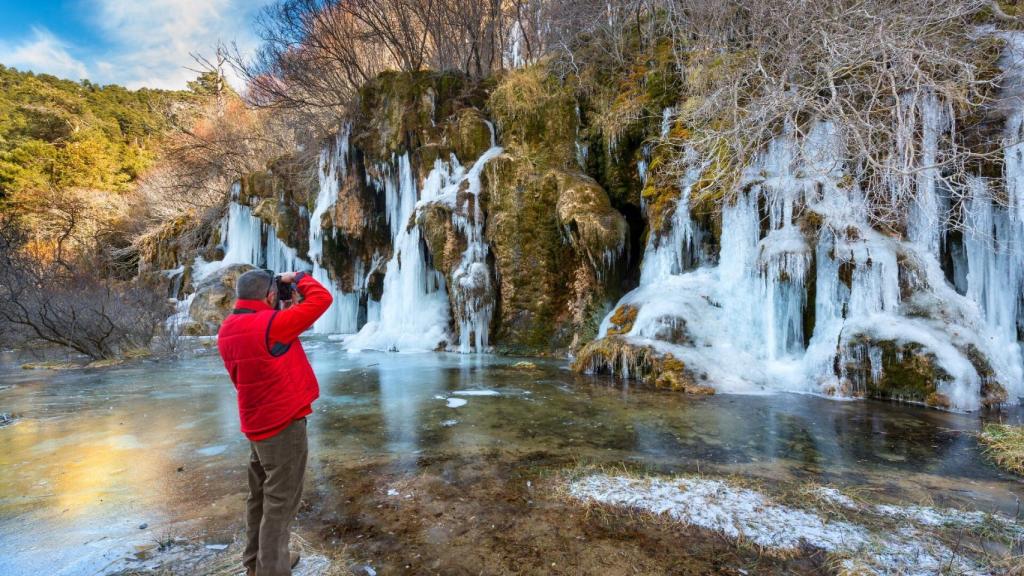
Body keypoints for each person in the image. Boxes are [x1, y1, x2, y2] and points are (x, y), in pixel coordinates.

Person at [217, 269, 333, 576]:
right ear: (269, 295)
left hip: (256, 425)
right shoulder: (273, 326)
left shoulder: (228, 328)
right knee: (281, 505)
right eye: (275, 292)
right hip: (284, 426)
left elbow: (265, 354)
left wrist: (284, 307)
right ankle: (272, 570)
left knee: (259, 499)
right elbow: (323, 299)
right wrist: (298, 277)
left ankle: (256, 563)